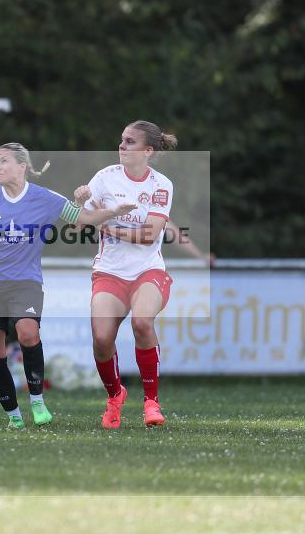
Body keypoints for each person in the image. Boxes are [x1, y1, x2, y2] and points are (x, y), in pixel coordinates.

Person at [0, 142, 134, 429]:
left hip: (25, 282)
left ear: (22, 167)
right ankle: (13, 416)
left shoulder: (44, 198)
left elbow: (81, 217)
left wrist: (112, 211)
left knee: (28, 333)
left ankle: (36, 400)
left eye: (4, 161)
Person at [74, 120, 176, 429]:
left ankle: (151, 402)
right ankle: (115, 395)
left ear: (147, 150)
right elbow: (78, 223)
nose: (121, 146)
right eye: (121, 140)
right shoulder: (104, 179)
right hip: (109, 272)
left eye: (130, 142)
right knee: (102, 339)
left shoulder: (162, 184)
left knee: (142, 323)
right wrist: (80, 204)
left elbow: (149, 236)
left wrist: (106, 224)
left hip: (148, 270)